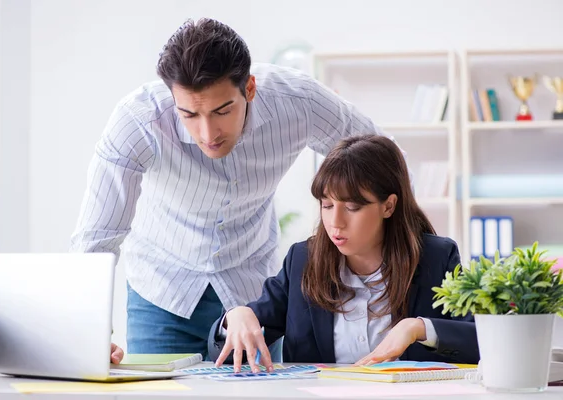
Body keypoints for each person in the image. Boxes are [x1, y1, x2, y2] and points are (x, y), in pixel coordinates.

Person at [70, 17, 392, 364]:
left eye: (222, 110)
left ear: (249, 88)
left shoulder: (297, 101)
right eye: (189, 114)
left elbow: (384, 160)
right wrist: (89, 332)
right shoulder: (139, 120)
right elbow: (97, 238)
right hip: (162, 292)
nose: (208, 133)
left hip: (254, 295)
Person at [209, 134, 479, 373]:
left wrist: (417, 328)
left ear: (388, 206)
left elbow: (484, 341)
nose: (335, 222)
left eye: (352, 207)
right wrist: (235, 318)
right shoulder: (303, 261)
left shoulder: (436, 258)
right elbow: (234, 355)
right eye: (327, 205)